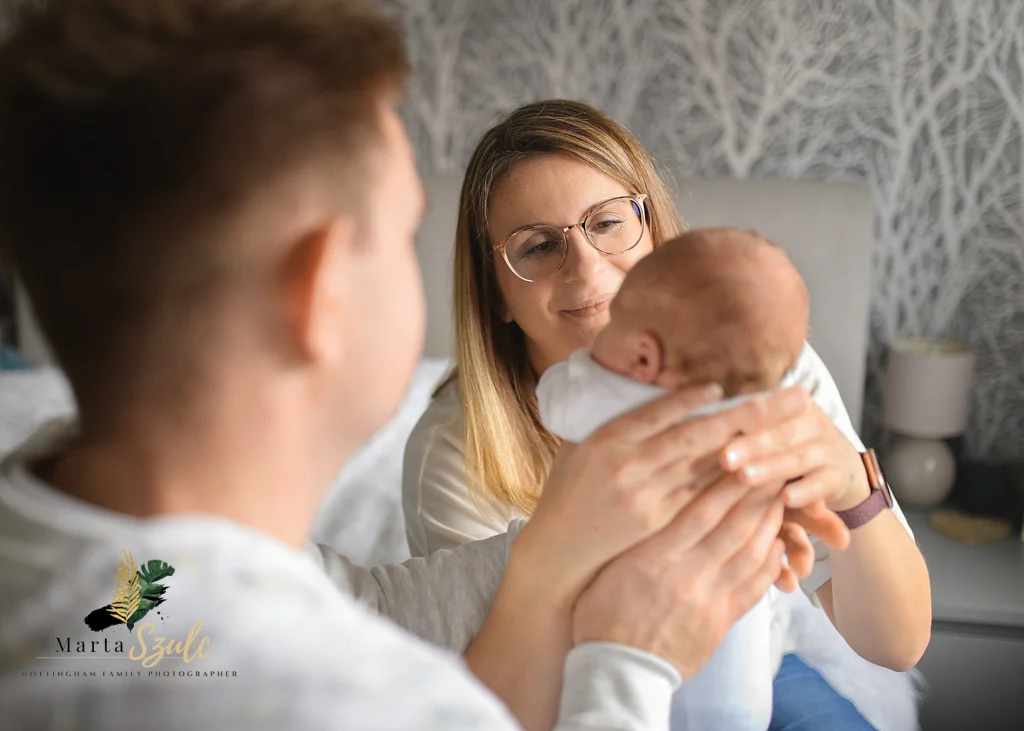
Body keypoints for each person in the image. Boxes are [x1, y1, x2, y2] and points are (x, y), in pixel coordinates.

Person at [0, 2, 816, 730]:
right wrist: (632, 654)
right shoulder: (352, 700)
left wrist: (560, 544)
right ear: (319, 293)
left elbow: (369, 604)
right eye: (400, 233)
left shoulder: (86, 531)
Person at [402, 99, 932, 729]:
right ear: (497, 296)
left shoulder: (757, 367)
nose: (588, 266)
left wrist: (850, 484)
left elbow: (897, 645)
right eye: (539, 246)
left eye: (606, 223)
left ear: (651, 228)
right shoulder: (454, 453)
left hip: (759, 677)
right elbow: (502, 705)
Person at [537, 228, 855, 731]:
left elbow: (555, 400)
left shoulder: (616, 400)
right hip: (741, 681)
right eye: (541, 245)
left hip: (632, 652)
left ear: (644, 356)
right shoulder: (766, 415)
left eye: (616, 321)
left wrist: (582, 371)